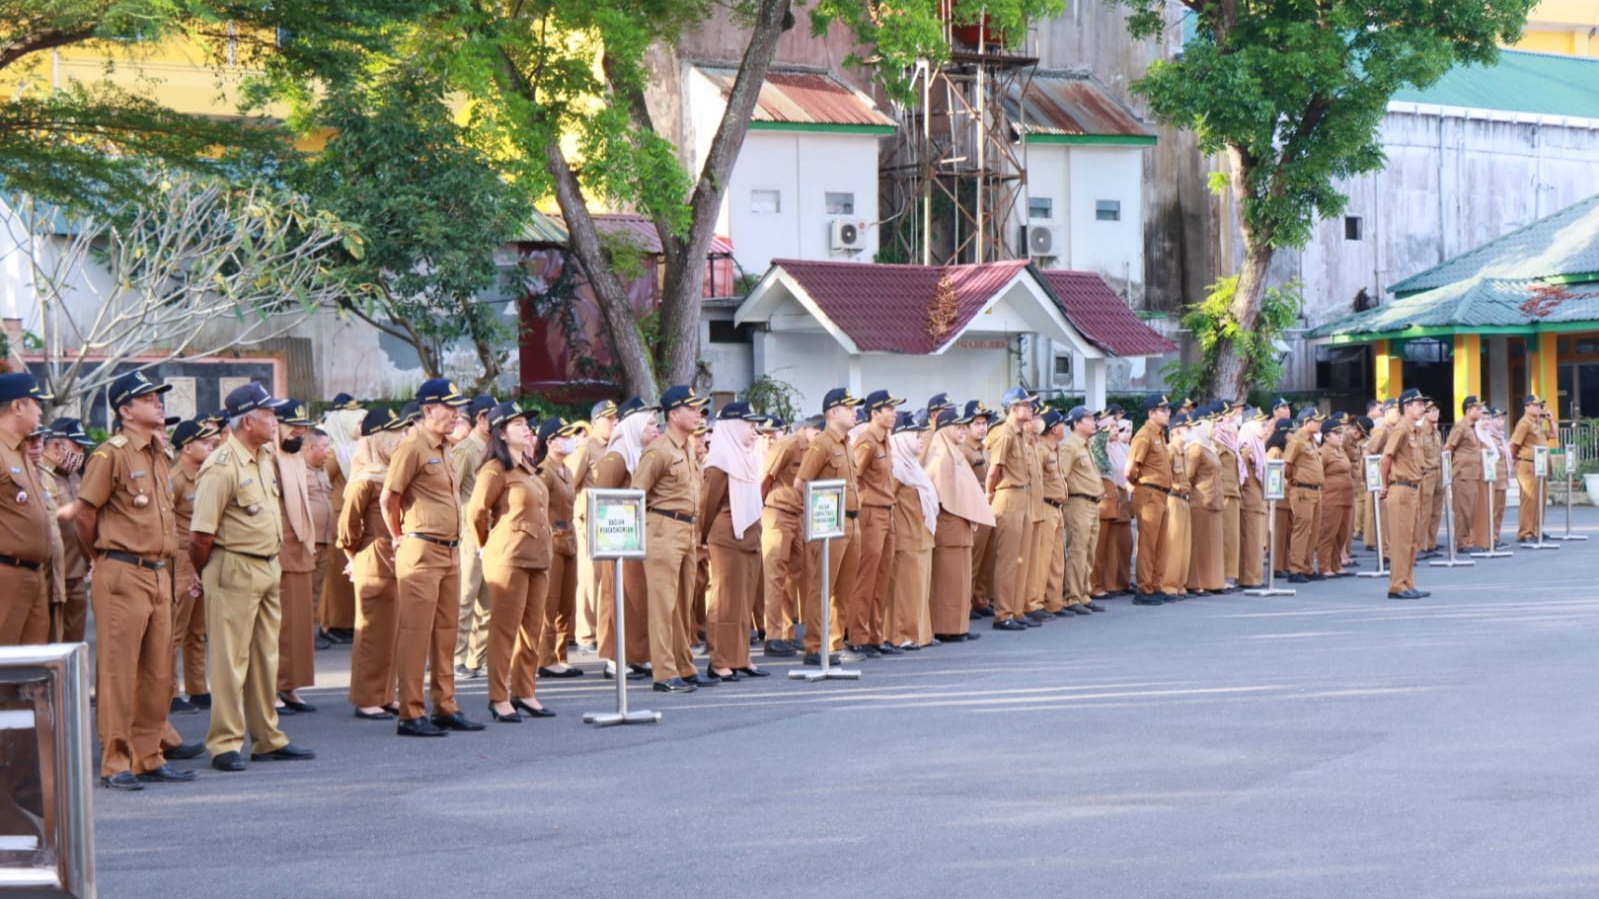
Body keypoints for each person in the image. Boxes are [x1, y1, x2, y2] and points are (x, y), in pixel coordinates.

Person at [77, 372, 204, 790]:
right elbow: (84, 513)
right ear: (125, 410)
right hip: (122, 570)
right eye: (147, 398)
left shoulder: (158, 454)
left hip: (158, 573)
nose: (158, 403)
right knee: (118, 672)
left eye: (158, 397)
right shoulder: (109, 455)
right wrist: (97, 558)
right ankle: (115, 761)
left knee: (157, 671)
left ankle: (148, 755)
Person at [190, 383, 316, 772]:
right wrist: (209, 572)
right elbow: (200, 535)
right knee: (231, 659)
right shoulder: (221, 465)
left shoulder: (263, 457)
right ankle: (225, 743)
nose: (276, 421)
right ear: (248, 420)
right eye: (269, 414)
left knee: (265, 656)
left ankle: (267, 737)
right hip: (233, 564)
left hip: (266, 564)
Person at [381, 379, 484, 737]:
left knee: (446, 632)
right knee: (415, 633)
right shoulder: (411, 448)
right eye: (449, 407)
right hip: (422, 549)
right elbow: (389, 499)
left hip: (451, 552)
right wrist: (399, 537)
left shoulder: (447, 449)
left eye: (458, 407)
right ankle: (410, 712)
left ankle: (445, 705)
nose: (457, 414)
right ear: (428, 410)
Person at [467, 402, 557, 722]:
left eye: (527, 423)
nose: (526, 428)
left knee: (532, 630)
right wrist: (486, 544)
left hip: (538, 557)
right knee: (504, 630)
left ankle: (525, 692)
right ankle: (499, 696)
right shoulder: (494, 469)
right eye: (518, 423)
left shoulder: (530, 469)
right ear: (501, 433)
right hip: (509, 557)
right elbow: (477, 512)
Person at [632, 385, 709, 693]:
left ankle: (684, 665)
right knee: (663, 605)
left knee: (682, 604)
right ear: (674, 414)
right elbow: (637, 494)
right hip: (662, 529)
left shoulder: (687, 447)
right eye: (691, 408)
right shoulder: (659, 449)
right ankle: (664, 672)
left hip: (686, 531)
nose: (698, 413)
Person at [340, 407, 406, 720]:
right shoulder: (364, 481)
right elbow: (347, 530)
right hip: (373, 561)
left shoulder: (392, 477)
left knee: (392, 632)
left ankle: (385, 693)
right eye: (393, 434)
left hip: (395, 562)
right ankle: (367, 697)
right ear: (377, 439)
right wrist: (356, 558)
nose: (400, 439)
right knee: (372, 633)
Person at [700, 401, 770, 681]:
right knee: (726, 600)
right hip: (727, 536)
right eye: (750, 426)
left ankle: (741, 657)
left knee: (744, 600)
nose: (755, 432)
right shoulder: (719, 460)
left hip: (749, 535)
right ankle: (720, 661)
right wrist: (702, 538)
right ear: (734, 426)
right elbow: (708, 504)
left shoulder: (747, 456)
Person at [794, 388, 863, 665]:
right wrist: (820, 515)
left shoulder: (847, 443)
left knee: (843, 588)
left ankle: (834, 643)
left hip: (852, 521)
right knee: (822, 586)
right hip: (830, 523)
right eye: (849, 407)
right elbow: (801, 484)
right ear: (833, 412)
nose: (855, 412)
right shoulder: (822, 443)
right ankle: (814, 645)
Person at [591, 398, 657, 679]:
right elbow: (599, 496)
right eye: (650, 422)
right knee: (616, 596)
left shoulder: (638, 454)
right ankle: (615, 659)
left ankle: (637, 654)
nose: (655, 427)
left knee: (637, 597)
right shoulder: (617, 456)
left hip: (636, 537)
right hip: (616, 537)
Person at [926, 407, 992, 642]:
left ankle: (958, 625)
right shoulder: (941, 456)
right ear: (945, 428)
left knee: (961, 579)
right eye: (958, 426)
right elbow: (941, 495)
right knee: (948, 580)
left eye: (965, 426)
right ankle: (946, 627)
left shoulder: (952, 453)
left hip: (961, 526)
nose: (963, 430)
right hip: (950, 526)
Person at [169, 419, 221, 714]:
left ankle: (197, 688)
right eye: (205, 443)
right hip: (181, 560)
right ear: (187, 447)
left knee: (198, 629)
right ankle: (170, 691)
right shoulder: (175, 478)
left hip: (203, 556)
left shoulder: (206, 474)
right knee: (175, 630)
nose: (211, 447)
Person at [271, 400, 319, 714]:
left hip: (300, 548)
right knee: (279, 627)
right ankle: (272, 687)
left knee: (300, 626)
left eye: (302, 428)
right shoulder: (269, 458)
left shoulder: (296, 458)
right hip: (278, 552)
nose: (299, 433)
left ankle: (290, 686)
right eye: (293, 427)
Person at [849, 390, 903, 656]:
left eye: (895, 409)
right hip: (870, 513)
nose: (894, 413)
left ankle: (875, 635)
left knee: (882, 577)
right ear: (875, 413)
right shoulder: (867, 441)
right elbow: (853, 477)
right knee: (866, 578)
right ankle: (858, 636)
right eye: (889, 409)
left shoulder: (884, 440)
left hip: (887, 511)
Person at [758, 414, 817, 658]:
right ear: (810, 430)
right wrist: (761, 509)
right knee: (775, 575)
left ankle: (787, 632)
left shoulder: (814, 449)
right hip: (777, 513)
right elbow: (765, 478)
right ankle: (773, 634)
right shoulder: (789, 445)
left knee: (793, 575)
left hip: (798, 516)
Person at [0, 374, 52, 647]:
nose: (40, 410)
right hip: (6, 574)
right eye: (36, 402)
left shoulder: (22, 453)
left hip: (34, 575)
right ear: (17, 407)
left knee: (31, 674)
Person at [985, 387, 1040, 627]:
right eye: (1025, 405)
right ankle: (1004, 613)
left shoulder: (1022, 434)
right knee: (1008, 560)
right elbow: (994, 470)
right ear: (1013, 408)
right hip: (1008, 496)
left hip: (1023, 495)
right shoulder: (1005, 433)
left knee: (1022, 558)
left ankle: (1017, 610)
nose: (1030, 409)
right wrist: (989, 494)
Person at [536, 417, 584, 679]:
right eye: (563, 437)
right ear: (550, 442)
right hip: (552, 541)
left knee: (567, 602)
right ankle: (546, 658)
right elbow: (538, 508)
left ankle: (561, 655)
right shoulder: (544, 472)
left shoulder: (566, 470)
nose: (570, 441)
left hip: (569, 540)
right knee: (550, 602)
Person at [451, 394, 496, 679]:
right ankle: (456, 657)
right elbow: (452, 490)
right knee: (465, 597)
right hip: (469, 532)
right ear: (481, 418)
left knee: (490, 602)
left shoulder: (495, 448)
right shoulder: (465, 450)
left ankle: (476, 660)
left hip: (492, 531)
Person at [884, 410, 936, 649]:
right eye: (916, 435)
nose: (921, 439)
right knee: (905, 591)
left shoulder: (912, 465)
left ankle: (920, 634)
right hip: (905, 538)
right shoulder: (895, 466)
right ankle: (900, 634)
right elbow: (887, 502)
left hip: (922, 537)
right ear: (903, 438)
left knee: (920, 589)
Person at [570, 399, 618, 652]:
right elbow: (570, 485)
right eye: (608, 418)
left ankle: (603, 630)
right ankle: (586, 634)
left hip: (611, 520)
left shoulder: (615, 446)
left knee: (608, 579)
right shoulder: (586, 449)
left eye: (615, 418)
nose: (613, 422)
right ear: (594, 422)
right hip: (587, 519)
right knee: (590, 578)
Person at [41, 418, 93, 643]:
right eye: (77, 447)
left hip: (77, 574)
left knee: (75, 642)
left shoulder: (75, 476)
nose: (81, 453)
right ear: (56, 446)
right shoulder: (41, 475)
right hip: (50, 576)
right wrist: (66, 511)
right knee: (50, 641)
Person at [318, 399, 364, 644]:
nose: (361, 426)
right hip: (337, 517)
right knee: (336, 576)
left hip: (353, 516)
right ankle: (332, 623)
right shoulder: (335, 451)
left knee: (348, 577)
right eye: (358, 422)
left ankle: (347, 622)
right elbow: (320, 483)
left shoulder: (356, 447)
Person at [1380, 388, 1430, 600]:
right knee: (1401, 540)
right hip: (1400, 488)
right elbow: (1386, 458)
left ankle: (1408, 582)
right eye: (1418, 404)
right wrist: (1383, 484)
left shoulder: (1414, 431)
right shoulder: (1400, 430)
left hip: (1413, 489)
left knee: (1412, 540)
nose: (1423, 407)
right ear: (1407, 407)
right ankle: (1397, 585)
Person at [1125, 395, 1172, 605]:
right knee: (1147, 543)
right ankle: (1144, 588)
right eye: (1163, 410)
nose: (1167, 413)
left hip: (1162, 493)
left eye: (1167, 410)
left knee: (1161, 543)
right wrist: (1139, 485)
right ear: (1151, 414)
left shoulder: (1161, 435)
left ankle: (1155, 585)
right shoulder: (1144, 435)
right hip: (1149, 491)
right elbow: (1130, 469)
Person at [1059, 406, 1104, 612]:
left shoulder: (1085, 445)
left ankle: (1084, 593)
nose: (1093, 422)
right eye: (1088, 419)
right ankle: (1073, 597)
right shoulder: (1070, 446)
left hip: (1092, 503)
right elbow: (1062, 476)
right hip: (1078, 503)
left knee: (1089, 550)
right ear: (1076, 423)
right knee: (1077, 549)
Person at [301, 428, 338, 650]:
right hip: (307, 543)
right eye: (324, 446)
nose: (328, 451)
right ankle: (301, 636)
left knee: (316, 592)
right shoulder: (296, 471)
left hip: (324, 541)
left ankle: (311, 634)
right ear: (309, 447)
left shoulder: (322, 470)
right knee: (302, 594)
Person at [962, 401, 998, 617]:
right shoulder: (963, 449)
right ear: (966, 426)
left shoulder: (983, 449)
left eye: (984, 423)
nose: (982, 428)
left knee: (987, 558)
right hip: (974, 508)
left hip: (988, 508)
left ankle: (980, 599)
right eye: (976, 423)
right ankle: (966, 602)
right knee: (973, 560)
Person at [1283, 408, 1325, 583]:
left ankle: (1307, 567)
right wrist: (1295, 479)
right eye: (1316, 420)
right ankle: (1295, 568)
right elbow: (1287, 465)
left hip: (1315, 491)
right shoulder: (1297, 441)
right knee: (1301, 530)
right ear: (1306, 422)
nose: (1320, 423)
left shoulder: (1312, 441)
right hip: (1303, 490)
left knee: (1313, 531)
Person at [1035, 408, 1071, 617]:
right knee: (1043, 559)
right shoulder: (1041, 450)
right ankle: (1038, 602)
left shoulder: (1055, 449)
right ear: (1053, 428)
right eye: (1061, 423)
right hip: (1046, 507)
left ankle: (1054, 602)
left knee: (1057, 559)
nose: (1064, 427)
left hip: (1057, 508)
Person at [1185, 410, 1225, 595]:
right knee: (1200, 545)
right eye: (1212, 423)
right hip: (1200, 502)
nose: (1215, 427)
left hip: (1214, 501)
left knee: (1213, 545)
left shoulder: (1210, 447)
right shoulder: (1195, 448)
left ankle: (1213, 582)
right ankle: (1196, 582)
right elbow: (1188, 477)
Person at [1093, 417, 1134, 597]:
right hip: (1104, 501)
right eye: (1111, 427)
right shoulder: (1098, 450)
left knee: (1121, 544)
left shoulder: (1119, 448)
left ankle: (1118, 582)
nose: (1116, 430)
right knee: (1103, 546)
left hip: (1119, 499)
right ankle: (1100, 584)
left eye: (1117, 426)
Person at [1509, 395, 1555, 542]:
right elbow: (1514, 444)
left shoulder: (1536, 425)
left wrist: (1550, 420)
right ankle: (1525, 533)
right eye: (1535, 405)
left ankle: (1536, 530)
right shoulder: (1524, 423)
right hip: (1528, 465)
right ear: (1527, 407)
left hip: (1539, 467)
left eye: (1539, 405)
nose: (1538, 408)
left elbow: (1553, 434)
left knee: (1539, 500)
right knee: (1529, 500)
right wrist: (1516, 459)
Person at [1316, 416, 1355, 578]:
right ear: (1326, 436)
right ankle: (1325, 566)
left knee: (1341, 533)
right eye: (1336, 434)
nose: (1340, 436)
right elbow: (1318, 475)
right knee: (1328, 533)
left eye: (1341, 433)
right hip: (1331, 499)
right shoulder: (1322, 452)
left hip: (1345, 497)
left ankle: (1336, 564)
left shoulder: (1340, 450)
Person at [1446, 396, 1485, 552]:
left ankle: (1467, 540)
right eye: (1477, 408)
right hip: (1462, 475)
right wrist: (1450, 472)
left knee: (1470, 510)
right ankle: (1462, 542)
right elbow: (1448, 448)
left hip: (1472, 475)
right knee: (1463, 510)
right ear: (1468, 410)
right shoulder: (1460, 427)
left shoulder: (1472, 428)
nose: (1480, 411)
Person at [1161, 412, 1193, 600]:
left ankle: (1180, 584)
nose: (1190, 431)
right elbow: (1165, 478)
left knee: (1183, 545)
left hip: (1183, 500)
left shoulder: (1183, 453)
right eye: (1187, 428)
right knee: (1172, 544)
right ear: (1175, 431)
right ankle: (1168, 585)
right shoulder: (1169, 451)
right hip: (1172, 498)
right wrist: (1179, 486)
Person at [1212, 406, 1244, 590]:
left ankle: (1226, 576)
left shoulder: (1231, 441)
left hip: (1233, 491)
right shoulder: (1217, 441)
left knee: (1231, 537)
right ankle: (1220, 577)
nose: (1232, 422)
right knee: (1224, 537)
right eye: (1228, 418)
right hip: (1223, 492)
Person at [1237, 413, 1269, 588]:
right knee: (1250, 542)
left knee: (1257, 542)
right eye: (1261, 424)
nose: (1265, 428)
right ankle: (1248, 579)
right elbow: (1240, 473)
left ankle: (1256, 577)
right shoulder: (1246, 448)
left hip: (1258, 499)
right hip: (1249, 501)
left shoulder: (1258, 445)